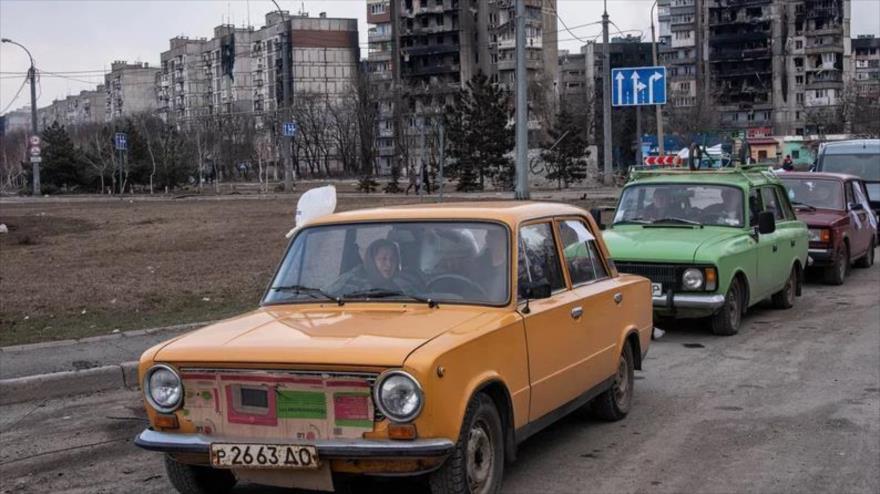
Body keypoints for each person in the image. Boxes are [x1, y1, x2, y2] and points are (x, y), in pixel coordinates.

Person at [327, 239, 420, 296]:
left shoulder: (404, 284)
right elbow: (327, 297)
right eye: (383, 259)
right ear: (371, 261)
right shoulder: (352, 282)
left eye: (393, 259)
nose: (389, 264)